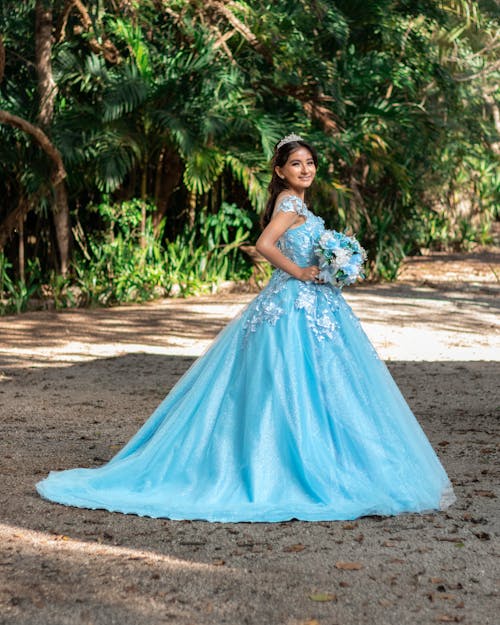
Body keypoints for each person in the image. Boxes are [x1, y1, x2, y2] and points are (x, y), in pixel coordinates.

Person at [36, 134, 456, 522]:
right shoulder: (289, 206)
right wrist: (302, 272)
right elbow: (264, 245)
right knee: (288, 382)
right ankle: (285, 465)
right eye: (296, 164)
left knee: (317, 382)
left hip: (311, 304)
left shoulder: (299, 205)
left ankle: (313, 456)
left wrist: (333, 264)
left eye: (310, 163)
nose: (306, 170)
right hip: (291, 304)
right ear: (280, 171)